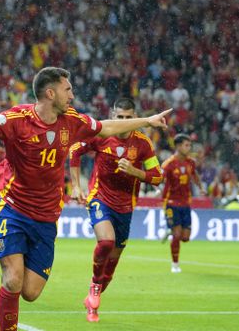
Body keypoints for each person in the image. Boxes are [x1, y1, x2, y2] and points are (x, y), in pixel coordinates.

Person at [0, 67, 171, 331]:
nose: (72, 95)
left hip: (47, 218)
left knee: (30, 292)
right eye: (67, 89)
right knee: (13, 279)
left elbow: (107, 127)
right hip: (14, 210)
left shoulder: (72, 120)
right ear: (50, 92)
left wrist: (147, 120)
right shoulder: (17, 119)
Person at [69, 97, 164, 322]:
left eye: (128, 118)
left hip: (125, 207)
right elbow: (74, 150)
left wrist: (135, 172)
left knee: (110, 271)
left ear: (134, 118)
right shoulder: (101, 135)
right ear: (113, 116)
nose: (123, 121)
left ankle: (93, 299)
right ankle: (93, 284)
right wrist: (76, 185)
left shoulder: (142, 144)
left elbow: (158, 177)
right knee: (106, 242)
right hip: (99, 197)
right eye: (119, 117)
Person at [161, 133, 205, 273]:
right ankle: (175, 265)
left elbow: (194, 175)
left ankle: (171, 233)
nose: (189, 148)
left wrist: (201, 187)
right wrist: (157, 189)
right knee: (178, 234)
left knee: (185, 238)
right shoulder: (168, 164)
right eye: (187, 145)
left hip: (186, 203)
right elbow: (159, 179)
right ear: (178, 146)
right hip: (171, 202)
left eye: (189, 145)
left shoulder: (190, 162)